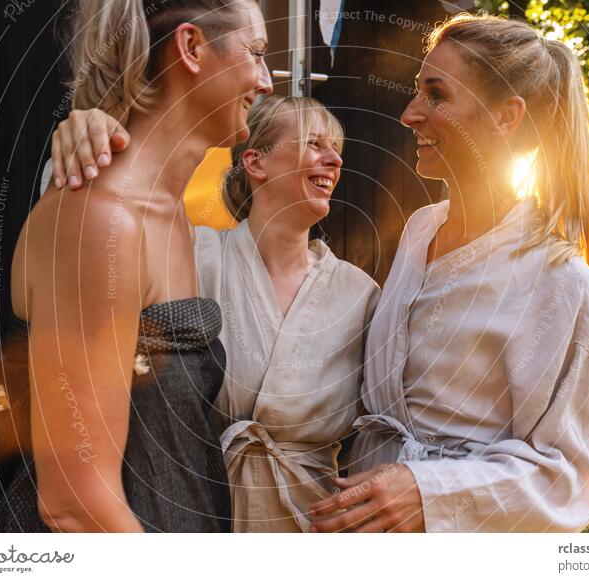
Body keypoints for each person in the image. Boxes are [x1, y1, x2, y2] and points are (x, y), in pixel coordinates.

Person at [308, 13, 589, 533]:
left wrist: (426, 493)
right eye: (416, 91)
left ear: (505, 116)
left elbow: (564, 477)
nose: (410, 114)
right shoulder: (419, 231)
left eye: (435, 95)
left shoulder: (560, 280)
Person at [0, 0, 272, 533]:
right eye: (256, 53)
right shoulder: (101, 219)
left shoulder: (172, 219)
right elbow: (75, 504)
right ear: (191, 48)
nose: (265, 81)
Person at [44, 96, 380, 532]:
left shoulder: (359, 294)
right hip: (197, 513)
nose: (334, 160)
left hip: (314, 528)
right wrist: (89, 134)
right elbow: (94, 241)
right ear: (256, 163)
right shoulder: (196, 257)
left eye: (336, 150)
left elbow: (383, 426)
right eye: (314, 144)